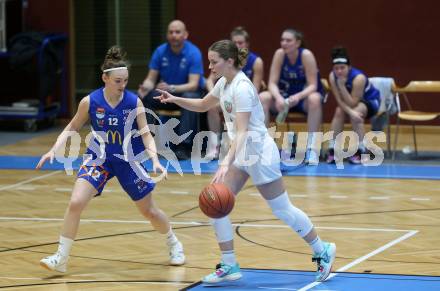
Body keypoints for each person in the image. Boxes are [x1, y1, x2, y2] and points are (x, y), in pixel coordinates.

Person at [155, 40, 336, 284]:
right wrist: (174, 98)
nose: (210, 67)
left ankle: (322, 249)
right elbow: (203, 104)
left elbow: (241, 132)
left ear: (229, 61)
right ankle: (229, 263)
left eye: (214, 62)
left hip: (259, 153)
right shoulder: (224, 83)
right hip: (241, 153)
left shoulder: (242, 87)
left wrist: (223, 163)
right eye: (209, 61)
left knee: (282, 209)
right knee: (214, 204)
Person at [36, 46, 185, 273]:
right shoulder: (90, 101)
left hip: (129, 160)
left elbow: (146, 134)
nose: (122, 85)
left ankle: (173, 242)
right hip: (100, 158)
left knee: (150, 212)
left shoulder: (134, 102)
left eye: (125, 80)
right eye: (117, 81)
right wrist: (53, 149)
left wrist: (155, 160)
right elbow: (72, 126)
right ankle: (61, 257)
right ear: (104, 78)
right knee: (76, 203)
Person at [138, 20, 205, 160]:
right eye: (171, 32)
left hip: (186, 93)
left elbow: (193, 84)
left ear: (185, 35)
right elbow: (151, 79)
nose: (174, 35)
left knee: (190, 96)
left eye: (177, 32)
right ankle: (148, 143)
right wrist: (145, 87)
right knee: (147, 97)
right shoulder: (160, 51)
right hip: (167, 95)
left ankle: (184, 147)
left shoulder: (193, 52)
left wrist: (171, 88)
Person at [259, 29, 324, 164]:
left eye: (288, 40)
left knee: (315, 99)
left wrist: (298, 97)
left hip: (301, 99)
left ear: (298, 43)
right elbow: (271, 83)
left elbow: (313, 85)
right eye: (282, 40)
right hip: (283, 99)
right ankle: (264, 147)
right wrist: (278, 98)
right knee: (263, 97)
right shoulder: (279, 54)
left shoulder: (306, 55)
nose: (284, 43)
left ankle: (312, 149)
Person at [205, 26, 264, 159]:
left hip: (243, 103)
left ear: (247, 44)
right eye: (234, 43)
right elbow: (208, 84)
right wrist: (214, 95)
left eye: (240, 43)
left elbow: (254, 90)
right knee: (211, 107)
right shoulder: (223, 66)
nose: (237, 46)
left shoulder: (254, 63)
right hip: (228, 100)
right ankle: (215, 146)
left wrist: (226, 163)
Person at [326, 47, 381, 164]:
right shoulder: (332, 76)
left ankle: (361, 150)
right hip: (349, 104)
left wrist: (341, 86)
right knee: (339, 111)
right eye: (336, 68)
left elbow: (352, 103)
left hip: (371, 101)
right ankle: (333, 149)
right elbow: (339, 100)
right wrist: (350, 111)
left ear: (349, 67)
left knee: (357, 112)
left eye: (342, 68)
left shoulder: (358, 78)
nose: (339, 71)